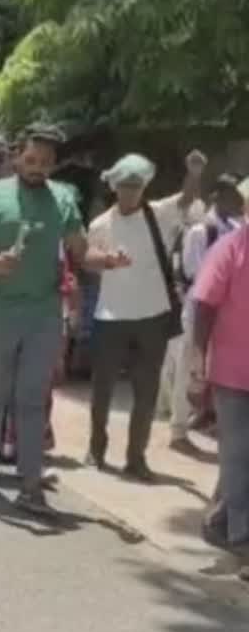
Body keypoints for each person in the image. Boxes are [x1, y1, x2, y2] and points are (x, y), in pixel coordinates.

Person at [0, 124, 114, 514]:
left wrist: (107, 261)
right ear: (15, 157)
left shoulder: (63, 200)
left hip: (42, 315)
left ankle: (30, 486)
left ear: (54, 164)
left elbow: (81, 252)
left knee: (30, 399)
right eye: (30, 159)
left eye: (45, 162)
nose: (37, 168)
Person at [86, 152, 203, 480]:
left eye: (137, 185)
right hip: (110, 316)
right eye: (125, 185)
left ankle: (136, 457)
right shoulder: (101, 224)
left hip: (152, 316)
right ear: (115, 187)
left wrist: (193, 172)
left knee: (146, 392)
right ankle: (96, 449)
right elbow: (86, 258)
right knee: (102, 389)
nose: (131, 191)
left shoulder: (159, 214)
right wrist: (108, 259)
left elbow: (187, 198)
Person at [169, 173, 244, 450]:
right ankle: (178, 431)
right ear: (220, 196)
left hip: (228, 317)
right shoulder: (202, 230)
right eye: (234, 195)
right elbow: (194, 273)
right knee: (190, 368)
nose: (239, 201)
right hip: (200, 311)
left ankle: (204, 417)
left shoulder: (238, 227)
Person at [190, 213, 249, 562]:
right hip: (233, 373)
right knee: (239, 454)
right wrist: (198, 366)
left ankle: (221, 518)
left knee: (240, 459)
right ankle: (241, 537)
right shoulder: (230, 248)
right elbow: (204, 306)